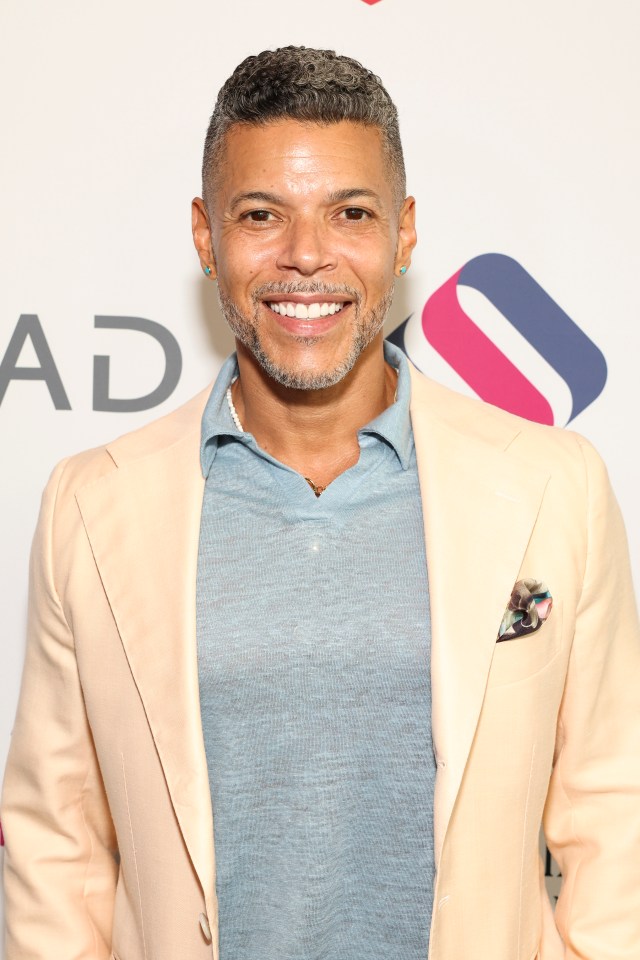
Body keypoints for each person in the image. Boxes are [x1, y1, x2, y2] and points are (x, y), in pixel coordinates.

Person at [2, 45, 639, 960]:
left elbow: (615, 806)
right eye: (262, 215)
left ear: (405, 233)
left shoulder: (553, 485)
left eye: (350, 213)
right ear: (204, 234)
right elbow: (57, 841)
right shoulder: (93, 504)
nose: (307, 256)